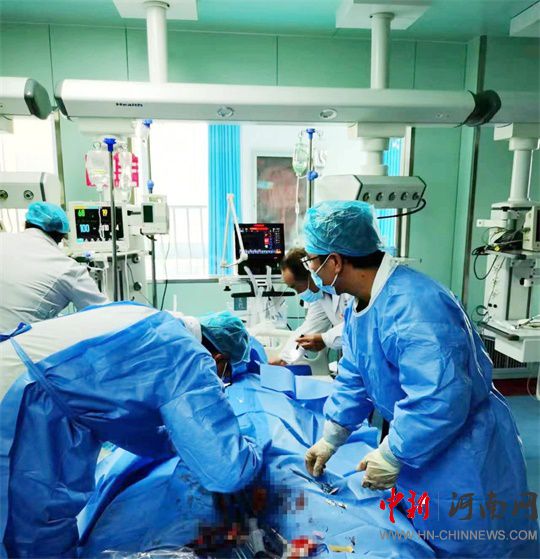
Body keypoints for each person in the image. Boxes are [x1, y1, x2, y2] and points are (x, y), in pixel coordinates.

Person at [303, 201, 537, 558]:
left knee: (480, 541)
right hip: (423, 444)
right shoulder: (360, 305)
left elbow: (440, 396)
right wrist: (331, 437)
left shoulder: (414, 305)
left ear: (334, 261)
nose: (311, 270)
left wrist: (393, 452)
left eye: (312, 260)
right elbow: (356, 372)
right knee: (427, 537)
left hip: (464, 450)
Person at [0, 304, 263, 558]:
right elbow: (226, 472)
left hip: (16, 370)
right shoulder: (186, 355)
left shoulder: (147, 320)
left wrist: (181, 440)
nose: (220, 381)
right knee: (28, 531)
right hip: (22, 401)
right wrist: (252, 447)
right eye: (224, 375)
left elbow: (128, 425)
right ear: (219, 359)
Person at [0, 201, 108, 332]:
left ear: (26, 223)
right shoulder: (67, 268)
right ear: (62, 236)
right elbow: (103, 313)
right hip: (15, 340)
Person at [270, 248, 350, 365]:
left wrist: (324, 339)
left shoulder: (348, 289)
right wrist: (284, 359)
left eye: (295, 287)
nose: (298, 293)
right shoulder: (319, 296)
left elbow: (355, 327)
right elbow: (309, 329)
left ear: (311, 274)